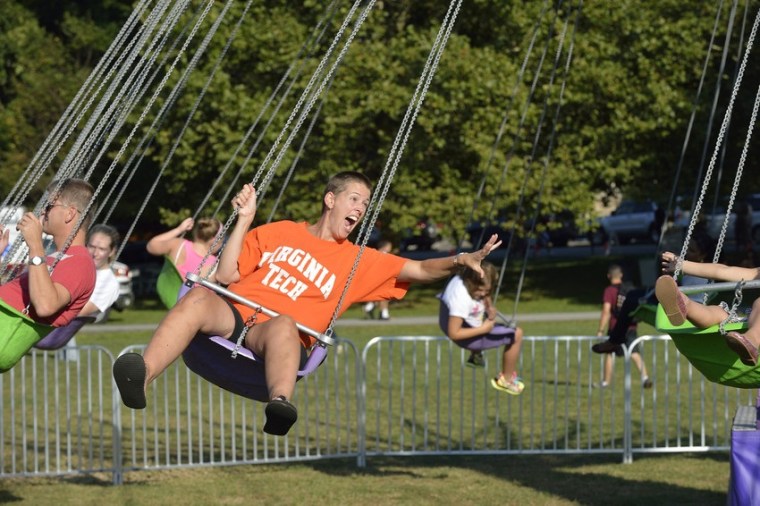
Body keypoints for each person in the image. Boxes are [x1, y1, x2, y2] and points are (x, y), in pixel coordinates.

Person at [112, 171, 502, 436]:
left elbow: (418, 270)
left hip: (274, 337)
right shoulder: (281, 231)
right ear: (330, 199)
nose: (360, 210)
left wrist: (457, 260)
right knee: (198, 296)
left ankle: (280, 404)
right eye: (354, 199)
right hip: (233, 314)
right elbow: (228, 275)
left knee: (284, 323)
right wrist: (245, 219)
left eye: (365, 205)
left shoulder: (359, 261)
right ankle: (142, 375)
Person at [0, 178, 96, 327]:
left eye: (49, 206)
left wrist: (36, 245)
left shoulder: (80, 262)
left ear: (69, 214)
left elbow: (45, 305)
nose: (43, 211)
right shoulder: (55, 257)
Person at [656, 251, 760, 367]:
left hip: (754, 324)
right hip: (748, 318)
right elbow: (723, 271)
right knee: (719, 313)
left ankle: (751, 342)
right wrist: (682, 265)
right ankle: (684, 304)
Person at [439, 261, 525, 395]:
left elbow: (484, 292)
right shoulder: (460, 299)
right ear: (470, 282)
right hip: (466, 335)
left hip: (455, 322)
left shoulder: (463, 278)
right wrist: (483, 329)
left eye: (487, 291)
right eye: (479, 290)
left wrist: (489, 306)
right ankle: (505, 380)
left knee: (484, 316)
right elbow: (454, 333)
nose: (483, 293)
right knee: (517, 334)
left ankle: (476, 355)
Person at [591, 264, 652, 389]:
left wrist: (601, 329)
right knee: (634, 352)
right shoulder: (629, 290)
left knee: (609, 352)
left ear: (609, 276)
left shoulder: (609, 291)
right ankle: (645, 377)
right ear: (621, 275)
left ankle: (605, 382)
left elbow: (606, 311)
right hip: (631, 326)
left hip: (616, 327)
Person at [146, 216, 222, 280]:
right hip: (188, 296)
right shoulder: (215, 265)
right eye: (221, 240)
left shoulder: (179, 245)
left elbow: (151, 246)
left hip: (166, 288)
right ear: (215, 240)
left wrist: (179, 229)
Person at [363, 239, 393, 320]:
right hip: (380, 278)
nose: (390, 248)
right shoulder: (384, 255)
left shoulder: (373, 253)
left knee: (381, 296)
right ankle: (383, 313)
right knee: (384, 296)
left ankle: (370, 307)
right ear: (385, 247)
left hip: (374, 278)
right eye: (389, 246)